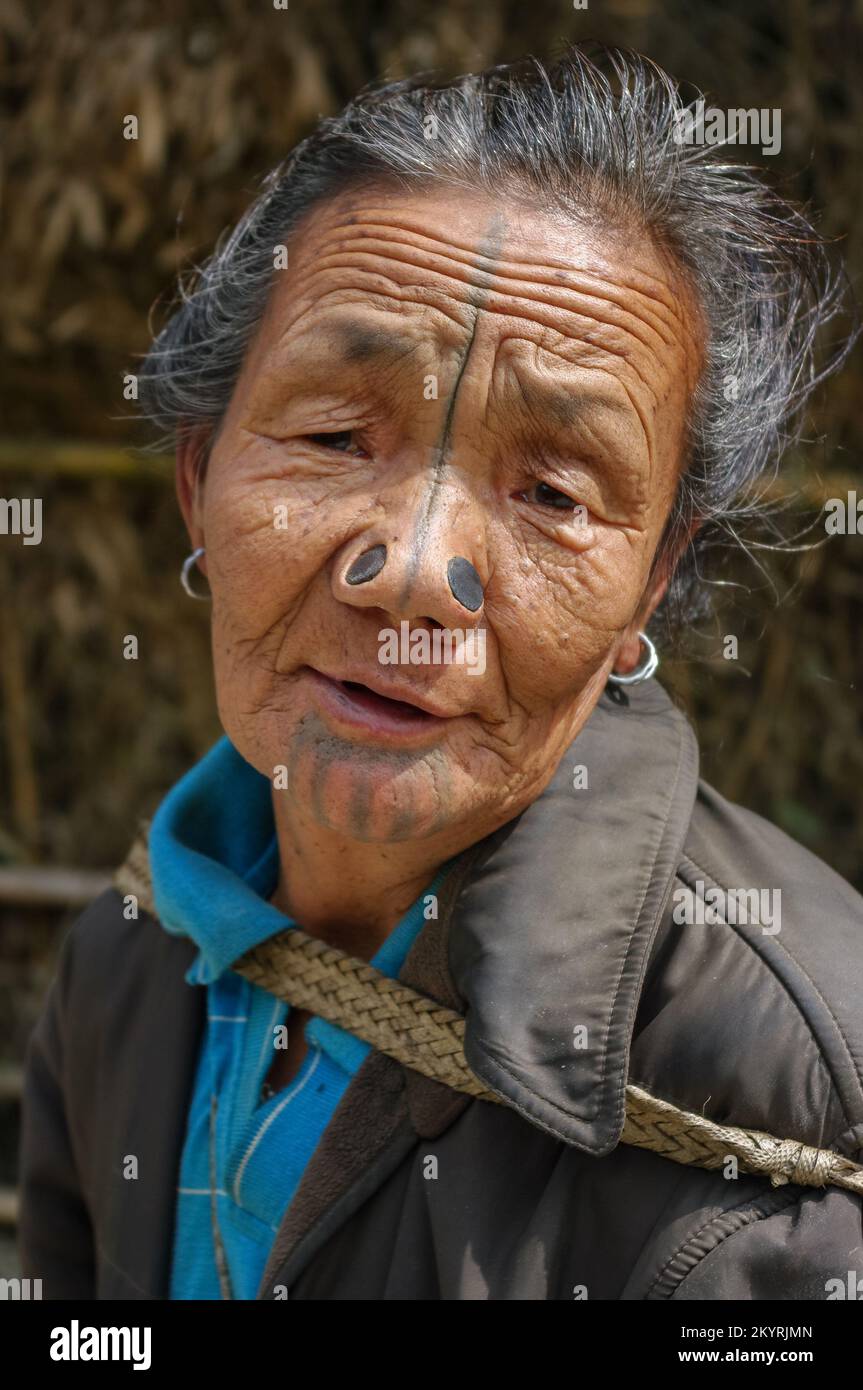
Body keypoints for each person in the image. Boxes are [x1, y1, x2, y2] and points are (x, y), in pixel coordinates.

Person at [18, 44, 863, 1301]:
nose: (413, 571)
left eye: (550, 492)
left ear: (648, 580)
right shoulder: (135, 956)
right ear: (199, 482)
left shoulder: (791, 1125)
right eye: (333, 434)